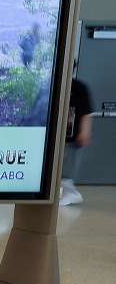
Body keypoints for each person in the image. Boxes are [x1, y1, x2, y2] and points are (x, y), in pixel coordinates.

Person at [60, 76, 94, 206]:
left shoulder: (79, 87)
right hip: (55, 136)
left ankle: (71, 194)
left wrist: (85, 131)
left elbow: (87, 112)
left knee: (66, 168)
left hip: (71, 137)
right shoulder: (49, 83)